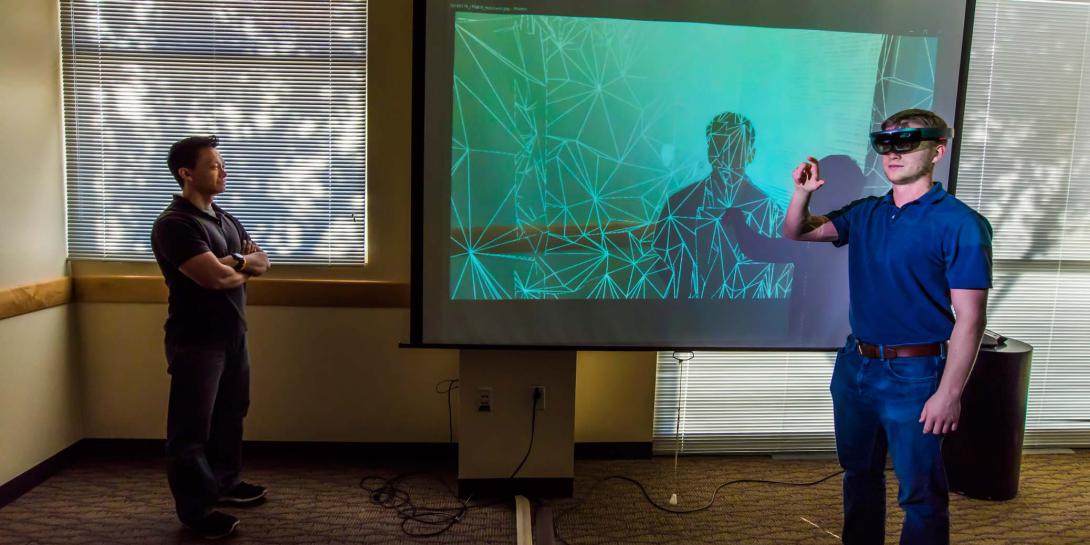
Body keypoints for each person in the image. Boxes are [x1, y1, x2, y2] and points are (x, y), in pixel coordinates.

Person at [783, 109, 992, 544]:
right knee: (858, 476)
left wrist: (949, 394)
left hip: (916, 376)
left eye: (907, 142)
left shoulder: (961, 223)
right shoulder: (866, 213)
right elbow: (797, 232)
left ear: (938, 149)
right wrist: (801, 194)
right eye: (886, 143)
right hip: (856, 367)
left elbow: (971, 318)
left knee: (920, 495)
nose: (893, 153)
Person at [151, 135, 271, 539]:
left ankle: (225, 483)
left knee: (231, 413)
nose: (223, 171)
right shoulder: (175, 224)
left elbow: (262, 261)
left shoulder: (223, 218)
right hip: (196, 342)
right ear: (186, 173)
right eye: (213, 165)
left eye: (221, 164)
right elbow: (215, 278)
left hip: (233, 336)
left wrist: (234, 264)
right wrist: (240, 266)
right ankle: (197, 513)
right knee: (190, 432)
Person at [723, 154, 864, 346]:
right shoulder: (857, 231)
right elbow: (762, 249)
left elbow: (761, 249)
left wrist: (739, 223)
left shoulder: (825, 236)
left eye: (816, 184)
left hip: (822, 342)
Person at [652, 112, 787, 299]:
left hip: (748, 317)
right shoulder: (679, 204)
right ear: (710, 153)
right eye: (720, 147)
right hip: (692, 317)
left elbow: (780, 271)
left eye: (736, 148)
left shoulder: (770, 211)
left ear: (751, 154)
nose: (727, 157)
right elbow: (662, 261)